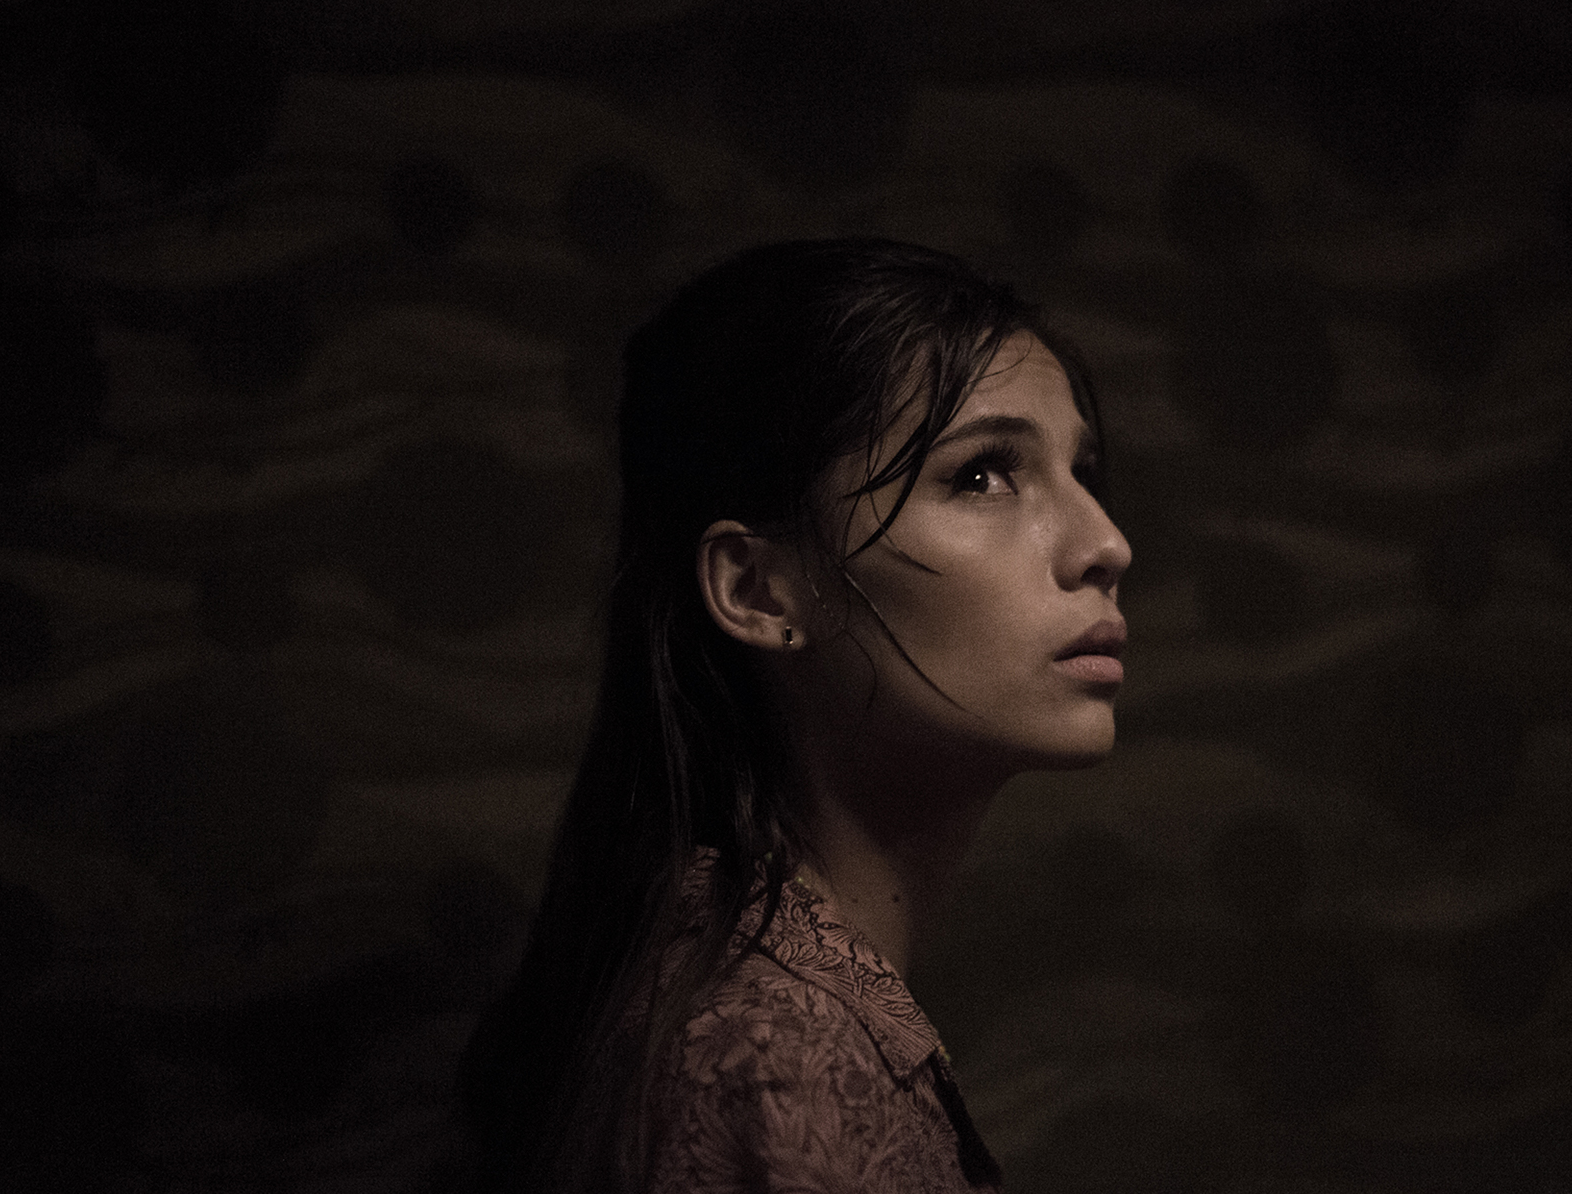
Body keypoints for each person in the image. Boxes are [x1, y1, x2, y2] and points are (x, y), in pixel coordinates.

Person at [460, 238, 1132, 1193]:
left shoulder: (750, 992)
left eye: (1083, 472)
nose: (1107, 543)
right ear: (760, 590)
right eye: (983, 474)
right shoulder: (779, 1061)